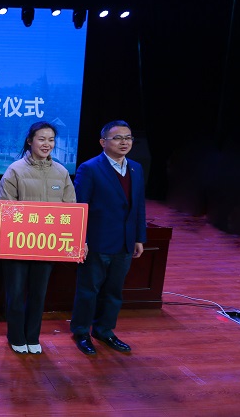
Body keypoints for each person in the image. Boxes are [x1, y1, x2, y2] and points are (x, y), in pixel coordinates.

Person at [0, 121, 77, 354]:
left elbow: (70, 210)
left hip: (47, 246)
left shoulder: (61, 172)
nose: (46, 144)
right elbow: (5, 209)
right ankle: (16, 336)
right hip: (18, 245)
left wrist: (77, 240)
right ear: (30, 141)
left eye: (51, 140)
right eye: (41, 139)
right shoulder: (15, 170)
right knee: (16, 293)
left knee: (39, 294)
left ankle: (33, 336)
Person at [70, 120, 146, 355]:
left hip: (125, 242)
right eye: (118, 138)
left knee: (114, 291)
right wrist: (80, 239)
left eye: (128, 138)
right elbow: (80, 206)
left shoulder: (136, 168)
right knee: (88, 290)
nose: (124, 142)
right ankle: (81, 332)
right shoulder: (90, 168)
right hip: (97, 241)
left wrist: (139, 237)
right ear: (103, 142)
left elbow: (138, 206)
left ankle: (104, 330)